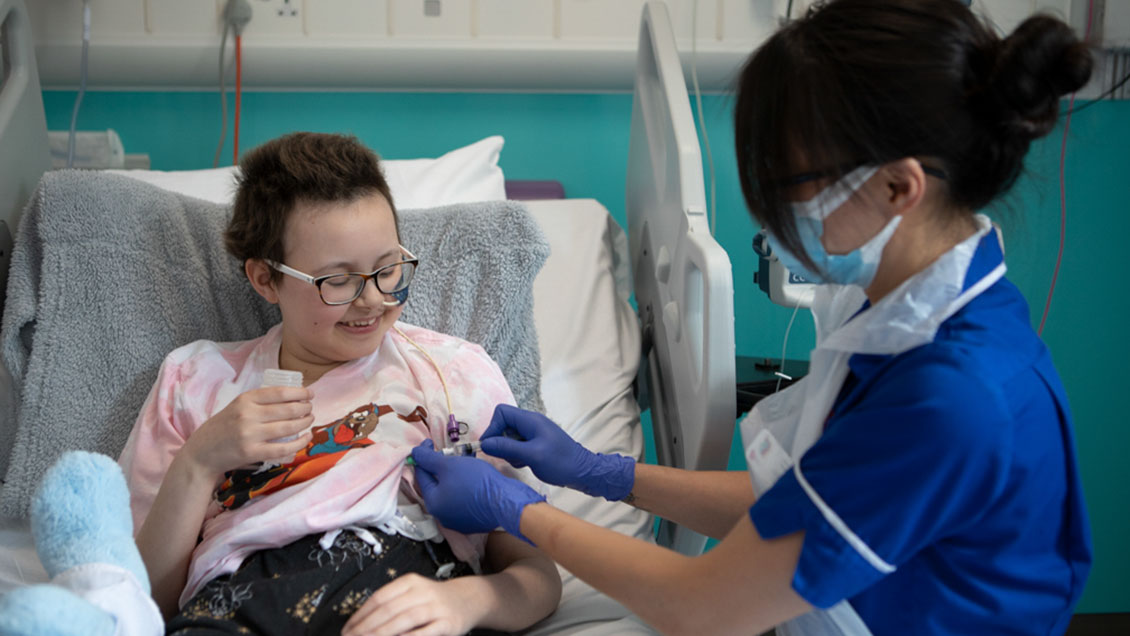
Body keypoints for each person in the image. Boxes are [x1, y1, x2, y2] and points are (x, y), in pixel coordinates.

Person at [406, 1, 1094, 634]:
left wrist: (519, 511)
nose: (771, 216)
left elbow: (705, 604)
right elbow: (802, 501)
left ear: (897, 187)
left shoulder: (953, 394)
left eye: (787, 184)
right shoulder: (908, 312)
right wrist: (596, 473)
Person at [117, 132, 561, 635]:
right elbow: (143, 601)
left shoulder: (451, 375)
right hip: (238, 604)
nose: (373, 300)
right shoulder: (196, 382)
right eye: (339, 280)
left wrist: (470, 601)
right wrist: (199, 462)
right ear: (265, 279)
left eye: (387, 269)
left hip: (403, 590)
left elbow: (538, 578)